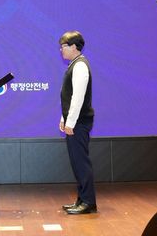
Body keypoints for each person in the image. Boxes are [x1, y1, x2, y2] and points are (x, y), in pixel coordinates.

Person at [58, 31, 96, 214]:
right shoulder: (75, 64)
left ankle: (88, 202)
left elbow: (78, 98)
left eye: (63, 46)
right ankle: (81, 199)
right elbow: (69, 96)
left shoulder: (80, 66)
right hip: (75, 122)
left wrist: (70, 123)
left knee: (81, 163)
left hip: (79, 123)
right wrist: (64, 118)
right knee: (77, 163)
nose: (61, 50)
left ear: (74, 46)